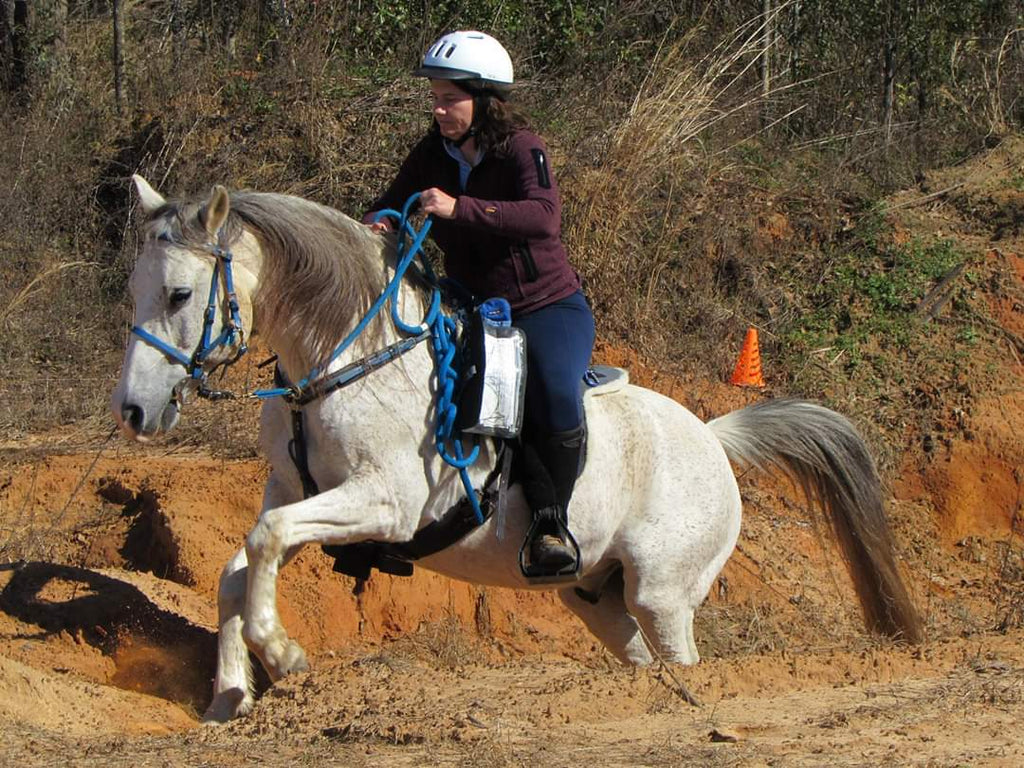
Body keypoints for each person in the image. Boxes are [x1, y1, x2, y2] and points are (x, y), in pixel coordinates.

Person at [363, 30, 595, 577]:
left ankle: (550, 524)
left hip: (546, 306)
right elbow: (391, 202)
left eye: (450, 99)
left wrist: (460, 207)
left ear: (484, 99)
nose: (439, 109)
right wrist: (374, 220)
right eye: (435, 98)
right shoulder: (431, 154)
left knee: (554, 390)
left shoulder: (522, 148)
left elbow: (543, 217)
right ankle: (400, 520)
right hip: (470, 305)